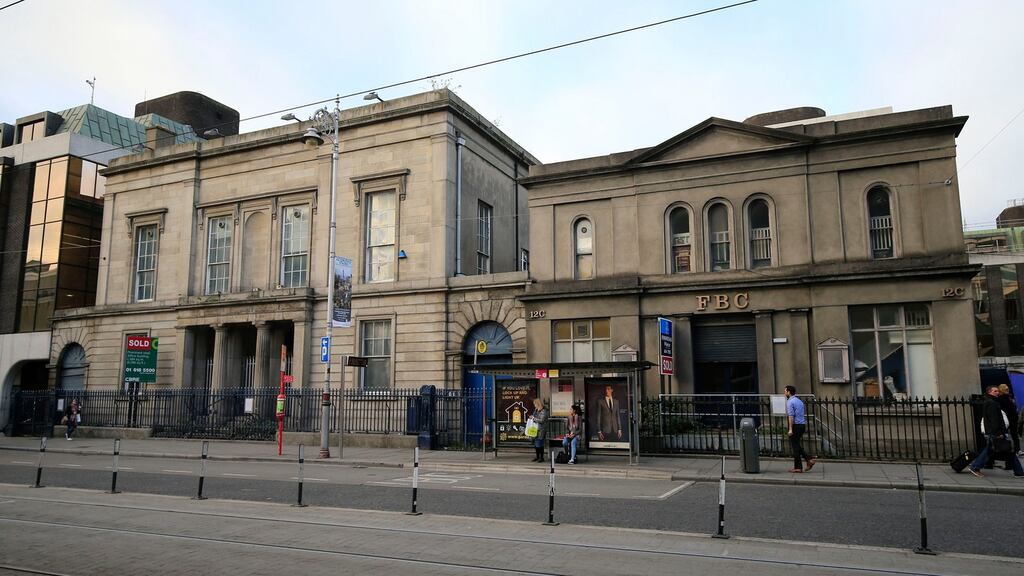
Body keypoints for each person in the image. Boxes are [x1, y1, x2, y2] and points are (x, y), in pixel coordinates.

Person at [967, 385, 1024, 478]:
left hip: (994, 432)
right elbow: (994, 420)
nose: (997, 392)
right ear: (989, 392)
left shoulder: (990, 402)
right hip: (995, 432)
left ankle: (1019, 471)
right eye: (995, 391)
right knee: (992, 451)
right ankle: (975, 467)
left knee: (1007, 451)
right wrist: (998, 433)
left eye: (998, 391)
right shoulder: (992, 403)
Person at [784, 385, 816, 473]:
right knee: (796, 445)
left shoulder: (790, 402)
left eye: (785, 391)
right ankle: (809, 460)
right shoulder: (799, 401)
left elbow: (791, 416)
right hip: (802, 425)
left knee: (795, 447)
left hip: (796, 425)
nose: (784, 393)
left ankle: (798, 467)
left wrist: (790, 429)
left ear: (789, 392)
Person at [997, 384, 1020, 455]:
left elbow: (1012, 407)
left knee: (1015, 435)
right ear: (1001, 390)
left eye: (1007, 389)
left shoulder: (1009, 397)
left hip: (1013, 419)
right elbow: (1003, 410)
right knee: (1004, 435)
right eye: (1005, 389)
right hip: (1006, 419)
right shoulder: (1000, 398)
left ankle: (1017, 450)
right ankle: (1004, 450)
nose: (1007, 390)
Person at [530, 397, 548, 463]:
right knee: (536, 443)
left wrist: (534, 418)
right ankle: (537, 456)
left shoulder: (544, 411)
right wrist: (532, 416)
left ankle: (541, 457)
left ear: (538, 404)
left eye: (535, 404)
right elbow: (534, 417)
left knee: (540, 443)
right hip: (535, 429)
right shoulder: (536, 410)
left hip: (541, 429)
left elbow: (542, 420)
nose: (534, 405)